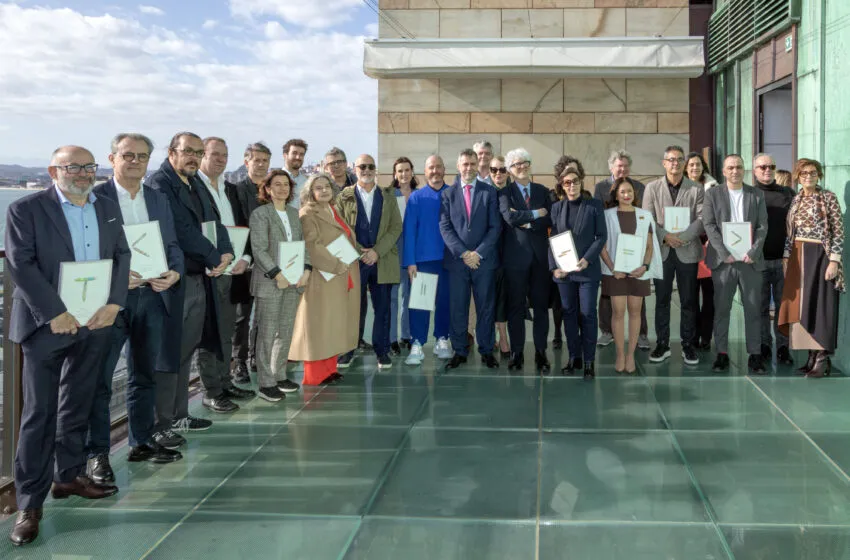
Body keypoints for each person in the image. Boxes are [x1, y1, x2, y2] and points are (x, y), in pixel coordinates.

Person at [6, 145, 130, 546]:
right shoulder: (25, 209)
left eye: (87, 167)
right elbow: (21, 264)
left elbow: (122, 255)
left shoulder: (106, 206)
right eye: (72, 167)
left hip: (94, 323)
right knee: (39, 414)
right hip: (47, 327)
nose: (81, 173)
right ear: (53, 170)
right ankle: (29, 502)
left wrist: (114, 304)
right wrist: (54, 312)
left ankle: (68, 477)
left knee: (77, 402)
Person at [85, 134, 184, 487]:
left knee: (144, 374)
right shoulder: (95, 197)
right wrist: (114, 277)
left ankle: (140, 440)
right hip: (110, 301)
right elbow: (86, 248)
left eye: (142, 156)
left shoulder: (157, 198)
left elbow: (171, 244)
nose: (135, 161)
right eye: (128, 155)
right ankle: (96, 453)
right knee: (100, 380)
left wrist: (174, 271)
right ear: (112, 158)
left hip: (151, 297)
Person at [147, 132, 233, 445]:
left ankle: (179, 415)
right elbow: (179, 230)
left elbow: (216, 221)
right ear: (172, 152)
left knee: (185, 352)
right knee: (168, 354)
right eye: (188, 151)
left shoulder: (195, 182)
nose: (194, 157)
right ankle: (160, 423)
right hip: (175, 282)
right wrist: (213, 255)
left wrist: (225, 251)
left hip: (199, 278)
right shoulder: (161, 184)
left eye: (198, 152)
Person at [196, 137, 257, 404]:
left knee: (226, 330)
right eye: (214, 154)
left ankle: (225, 382)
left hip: (233, 271)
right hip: (207, 272)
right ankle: (212, 391)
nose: (220, 159)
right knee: (209, 334)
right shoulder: (193, 188)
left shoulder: (230, 189)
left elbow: (243, 224)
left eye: (224, 155)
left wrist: (245, 256)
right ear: (201, 156)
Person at [289, 174, 360, 384]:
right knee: (319, 326)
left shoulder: (333, 209)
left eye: (327, 186)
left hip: (339, 276)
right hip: (323, 276)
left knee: (333, 325)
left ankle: (330, 369)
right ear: (310, 192)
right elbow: (312, 246)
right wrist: (336, 264)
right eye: (318, 188)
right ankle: (314, 375)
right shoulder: (307, 214)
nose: (324, 190)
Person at [335, 154, 403, 370]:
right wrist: (358, 252)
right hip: (354, 262)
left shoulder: (389, 196)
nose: (366, 170)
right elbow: (338, 228)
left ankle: (382, 351)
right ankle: (348, 349)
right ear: (354, 169)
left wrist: (376, 252)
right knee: (354, 308)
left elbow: (396, 227)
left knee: (383, 309)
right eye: (362, 166)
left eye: (370, 166)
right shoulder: (344, 197)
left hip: (381, 260)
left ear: (376, 170)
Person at [779, 158, 844, 378]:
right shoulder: (796, 199)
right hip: (798, 256)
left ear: (819, 175)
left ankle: (822, 359)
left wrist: (834, 261)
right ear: (797, 176)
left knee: (821, 305)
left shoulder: (828, 198)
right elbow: (790, 233)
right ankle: (810, 357)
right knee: (802, 306)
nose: (809, 176)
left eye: (813, 173)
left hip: (820, 257)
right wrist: (786, 258)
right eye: (804, 173)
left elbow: (838, 232)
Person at [703, 154, 768, 373]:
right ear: (723, 171)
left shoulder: (756, 194)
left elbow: (762, 227)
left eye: (739, 167)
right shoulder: (712, 194)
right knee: (722, 309)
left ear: (744, 170)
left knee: (753, 309)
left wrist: (753, 251)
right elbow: (709, 225)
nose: (735, 171)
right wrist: (724, 252)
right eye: (730, 167)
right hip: (724, 263)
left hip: (750, 261)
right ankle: (721, 353)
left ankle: (755, 354)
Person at [249, 170, 310, 401]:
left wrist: (307, 270)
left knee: (284, 331)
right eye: (277, 184)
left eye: (286, 185)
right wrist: (277, 274)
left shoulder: (295, 214)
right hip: (270, 282)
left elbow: (304, 246)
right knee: (267, 332)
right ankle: (266, 383)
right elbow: (259, 249)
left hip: (294, 283)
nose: (282, 189)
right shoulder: (260, 214)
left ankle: (279, 375)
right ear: (267, 188)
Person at [643, 145, 704, 366]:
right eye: (671, 159)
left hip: (687, 251)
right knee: (662, 300)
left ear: (685, 163)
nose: (675, 163)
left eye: (679, 159)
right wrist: (666, 237)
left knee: (688, 301)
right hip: (663, 251)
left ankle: (688, 345)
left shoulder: (696, 189)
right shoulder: (652, 188)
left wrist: (683, 238)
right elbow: (648, 218)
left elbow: (701, 219)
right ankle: (662, 344)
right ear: (664, 162)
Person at [441, 149, 502, 370]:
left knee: (486, 307)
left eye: (472, 164)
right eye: (465, 164)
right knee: (458, 307)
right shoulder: (448, 194)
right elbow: (445, 227)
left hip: (483, 262)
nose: (468, 168)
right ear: (458, 166)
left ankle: (486, 349)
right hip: (458, 262)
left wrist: (478, 253)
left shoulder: (489, 192)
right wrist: (464, 253)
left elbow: (495, 227)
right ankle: (459, 350)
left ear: (478, 165)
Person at [549, 164, 607, 379]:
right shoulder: (557, 208)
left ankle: (589, 361)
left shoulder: (594, 206)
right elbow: (552, 239)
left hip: (586, 272)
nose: (571, 185)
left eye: (575, 181)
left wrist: (586, 260)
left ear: (581, 182)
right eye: (567, 182)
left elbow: (601, 236)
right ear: (562, 186)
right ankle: (574, 357)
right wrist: (554, 268)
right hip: (564, 274)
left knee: (588, 314)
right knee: (569, 314)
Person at [599, 178, 662, 373]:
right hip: (615, 272)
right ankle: (619, 353)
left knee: (635, 312)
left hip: (638, 272)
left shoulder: (645, 215)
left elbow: (650, 245)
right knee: (618, 312)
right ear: (616, 194)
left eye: (630, 192)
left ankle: (630, 355)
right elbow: (602, 245)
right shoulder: (607, 215)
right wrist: (612, 268)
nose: (627, 195)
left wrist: (644, 266)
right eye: (623, 192)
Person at [499, 148, 553, 373]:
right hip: (515, 259)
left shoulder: (542, 190)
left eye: (525, 163)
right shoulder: (505, 193)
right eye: (516, 164)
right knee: (516, 307)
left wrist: (527, 219)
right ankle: (517, 353)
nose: (522, 167)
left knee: (541, 307)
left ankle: (541, 352)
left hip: (541, 259)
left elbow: (550, 215)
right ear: (510, 170)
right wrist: (534, 214)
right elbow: (509, 217)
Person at [593, 150, 650, 351]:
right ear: (611, 167)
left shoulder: (639, 187)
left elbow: (642, 215)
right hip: (611, 247)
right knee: (608, 293)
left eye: (626, 166)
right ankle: (606, 331)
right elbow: (597, 216)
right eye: (619, 166)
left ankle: (642, 334)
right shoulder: (600, 187)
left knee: (637, 294)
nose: (622, 169)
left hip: (634, 248)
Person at [403, 155, 452, 365]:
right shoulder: (416, 197)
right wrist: (410, 261)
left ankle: (442, 338)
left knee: (445, 302)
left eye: (438, 167)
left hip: (449, 260)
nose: (435, 171)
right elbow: (409, 231)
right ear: (425, 172)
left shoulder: (453, 194)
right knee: (420, 304)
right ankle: (417, 343)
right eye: (431, 167)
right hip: (423, 260)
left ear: (444, 169)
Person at [230, 141, 272, 381]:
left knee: (264, 314)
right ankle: (240, 362)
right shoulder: (236, 190)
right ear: (246, 162)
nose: (261, 165)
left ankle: (258, 356)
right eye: (256, 160)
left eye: (265, 161)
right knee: (242, 316)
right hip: (245, 262)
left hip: (268, 263)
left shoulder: (271, 191)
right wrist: (248, 255)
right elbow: (239, 225)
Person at [752, 153, 796, 365]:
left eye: (771, 166)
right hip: (757, 261)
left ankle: (783, 347)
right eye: (762, 167)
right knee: (760, 307)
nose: (767, 170)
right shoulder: (749, 194)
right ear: (755, 170)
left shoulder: (788, 193)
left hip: (783, 261)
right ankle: (764, 345)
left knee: (782, 307)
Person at [550, 156, 588, 349]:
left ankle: (581, 336)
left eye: (574, 171)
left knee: (582, 305)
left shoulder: (587, 196)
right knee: (560, 302)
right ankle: (558, 333)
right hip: (561, 260)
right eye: (565, 171)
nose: (570, 178)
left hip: (581, 260)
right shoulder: (552, 197)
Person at [685, 151, 717, 351]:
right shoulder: (681, 189)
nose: (695, 168)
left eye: (698, 164)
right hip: (688, 246)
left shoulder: (713, 188)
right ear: (686, 168)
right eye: (691, 165)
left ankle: (706, 336)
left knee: (709, 295)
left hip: (709, 247)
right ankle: (692, 335)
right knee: (690, 296)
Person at [388, 156, 417, 355]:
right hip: (393, 251)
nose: (404, 174)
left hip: (414, 252)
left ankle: (407, 335)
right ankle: (391, 338)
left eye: (407, 170)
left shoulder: (419, 195)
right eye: (400, 171)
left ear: (412, 172)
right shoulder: (389, 195)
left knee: (410, 296)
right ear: (395, 174)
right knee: (392, 297)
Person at [489, 155, 512, 357]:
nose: (498, 173)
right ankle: (497, 336)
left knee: (505, 298)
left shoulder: (513, 192)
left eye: (502, 170)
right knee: (491, 298)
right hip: (489, 253)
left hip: (511, 253)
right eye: (494, 170)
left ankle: (503, 336)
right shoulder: (485, 193)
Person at [282, 138, 309, 209]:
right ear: (285, 155)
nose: (298, 157)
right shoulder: (275, 179)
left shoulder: (307, 181)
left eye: (301, 154)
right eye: (294, 153)